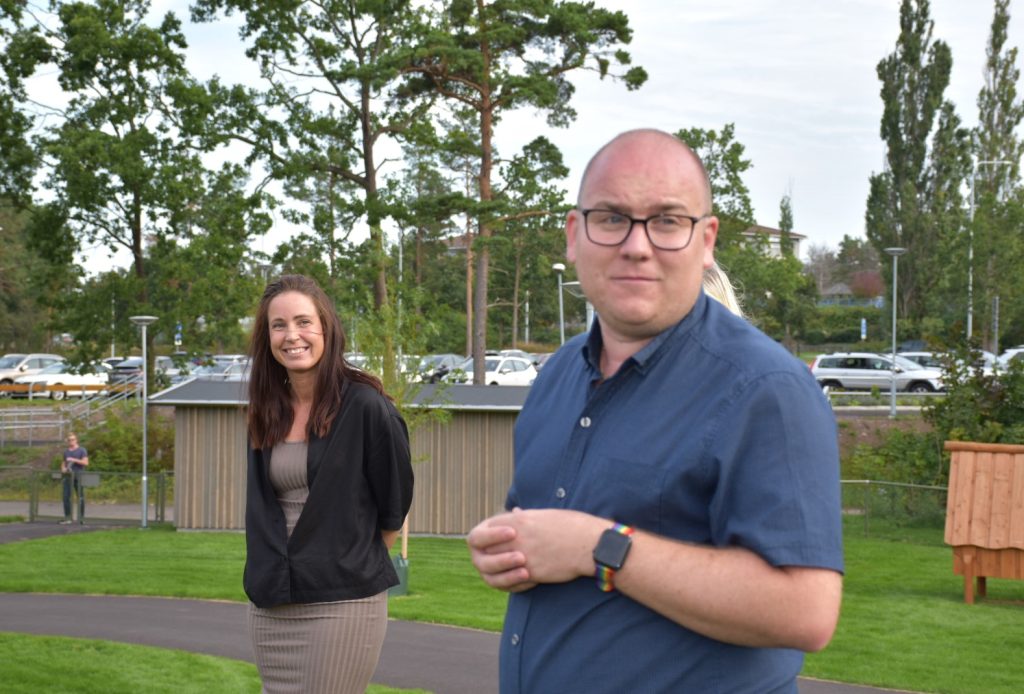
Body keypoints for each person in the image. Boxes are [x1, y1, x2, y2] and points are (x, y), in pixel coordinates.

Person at [467, 129, 843, 692]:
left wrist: (596, 546)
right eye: (612, 218)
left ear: (707, 239)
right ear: (574, 235)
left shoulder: (766, 389)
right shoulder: (558, 377)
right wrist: (514, 553)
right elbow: (546, 538)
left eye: (667, 221)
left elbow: (804, 610)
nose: (637, 245)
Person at [244, 274, 414, 694]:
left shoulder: (367, 407)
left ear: (326, 328)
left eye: (303, 322)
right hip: (272, 603)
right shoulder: (267, 409)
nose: (291, 336)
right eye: (278, 325)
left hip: (341, 602)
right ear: (267, 337)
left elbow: (394, 508)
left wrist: (345, 561)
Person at [60, 433, 88, 525]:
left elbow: (85, 462)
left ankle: (81, 518)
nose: (71, 441)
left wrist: (74, 460)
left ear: (76, 440)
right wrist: (63, 469)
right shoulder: (66, 452)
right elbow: (63, 462)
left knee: (80, 497)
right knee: (65, 497)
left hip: (78, 475)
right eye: (69, 440)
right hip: (68, 476)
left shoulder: (82, 450)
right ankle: (67, 517)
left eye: (73, 439)